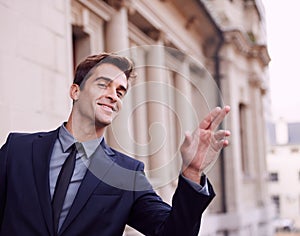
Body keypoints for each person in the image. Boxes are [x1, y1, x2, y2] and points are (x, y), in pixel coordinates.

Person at [0, 52, 230, 236]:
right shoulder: (17, 150)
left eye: (120, 92)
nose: (114, 96)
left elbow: (172, 232)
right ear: (75, 91)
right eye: (103, 85)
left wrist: (191, 172)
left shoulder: (126, 174)